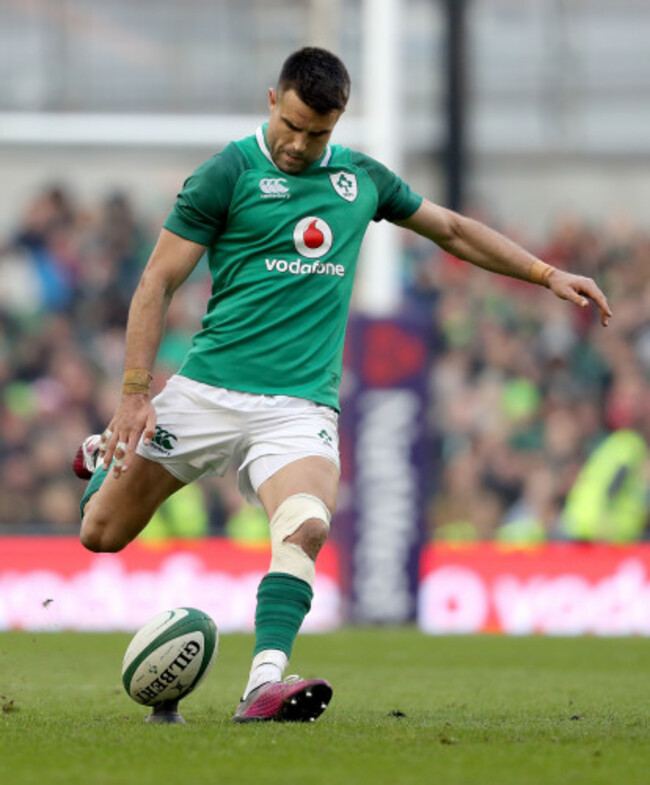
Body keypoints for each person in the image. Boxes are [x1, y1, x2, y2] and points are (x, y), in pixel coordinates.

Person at [73, 47, 612, 723]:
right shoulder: (226, 172)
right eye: (292, 124)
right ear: (273, 99)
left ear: (340, 121)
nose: (300, 144)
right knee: (101, 532)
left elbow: (447, 228)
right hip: (208, 389)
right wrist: (134, 390)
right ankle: (105, 456)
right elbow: (157, 280)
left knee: (305, 525)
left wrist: (542, 273)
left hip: (298, 407)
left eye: (318, 133)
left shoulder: (361, 180)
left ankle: (263, 684)